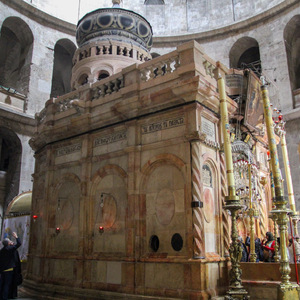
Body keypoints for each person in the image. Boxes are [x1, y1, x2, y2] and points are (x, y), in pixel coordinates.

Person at [0, 232, 21, 300]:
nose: (12, 242)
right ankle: (5, 297)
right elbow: (19, 244)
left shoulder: (2, 250)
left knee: (3, 284)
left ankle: (2, 296)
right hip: (9, 270)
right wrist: (16, 236)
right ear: (8, 243)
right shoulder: (9, 249)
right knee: (7, 284)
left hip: (3, 270)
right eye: (10, 241)